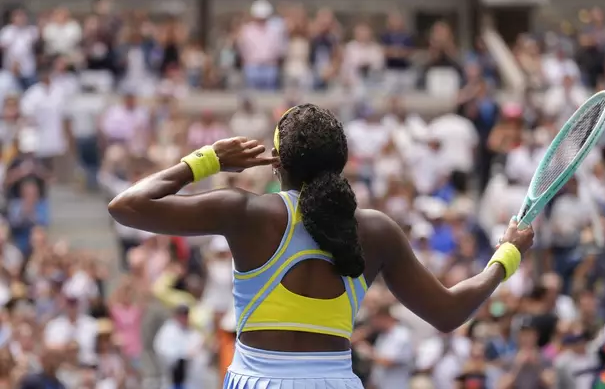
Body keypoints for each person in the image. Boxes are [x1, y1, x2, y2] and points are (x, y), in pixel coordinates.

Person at [108, 104, 534, 388]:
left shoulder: (245, 213)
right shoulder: (377, 230)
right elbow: (448, 312)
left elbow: (126, 207)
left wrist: (208, 160)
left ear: (277, 162)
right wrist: (506, 256)